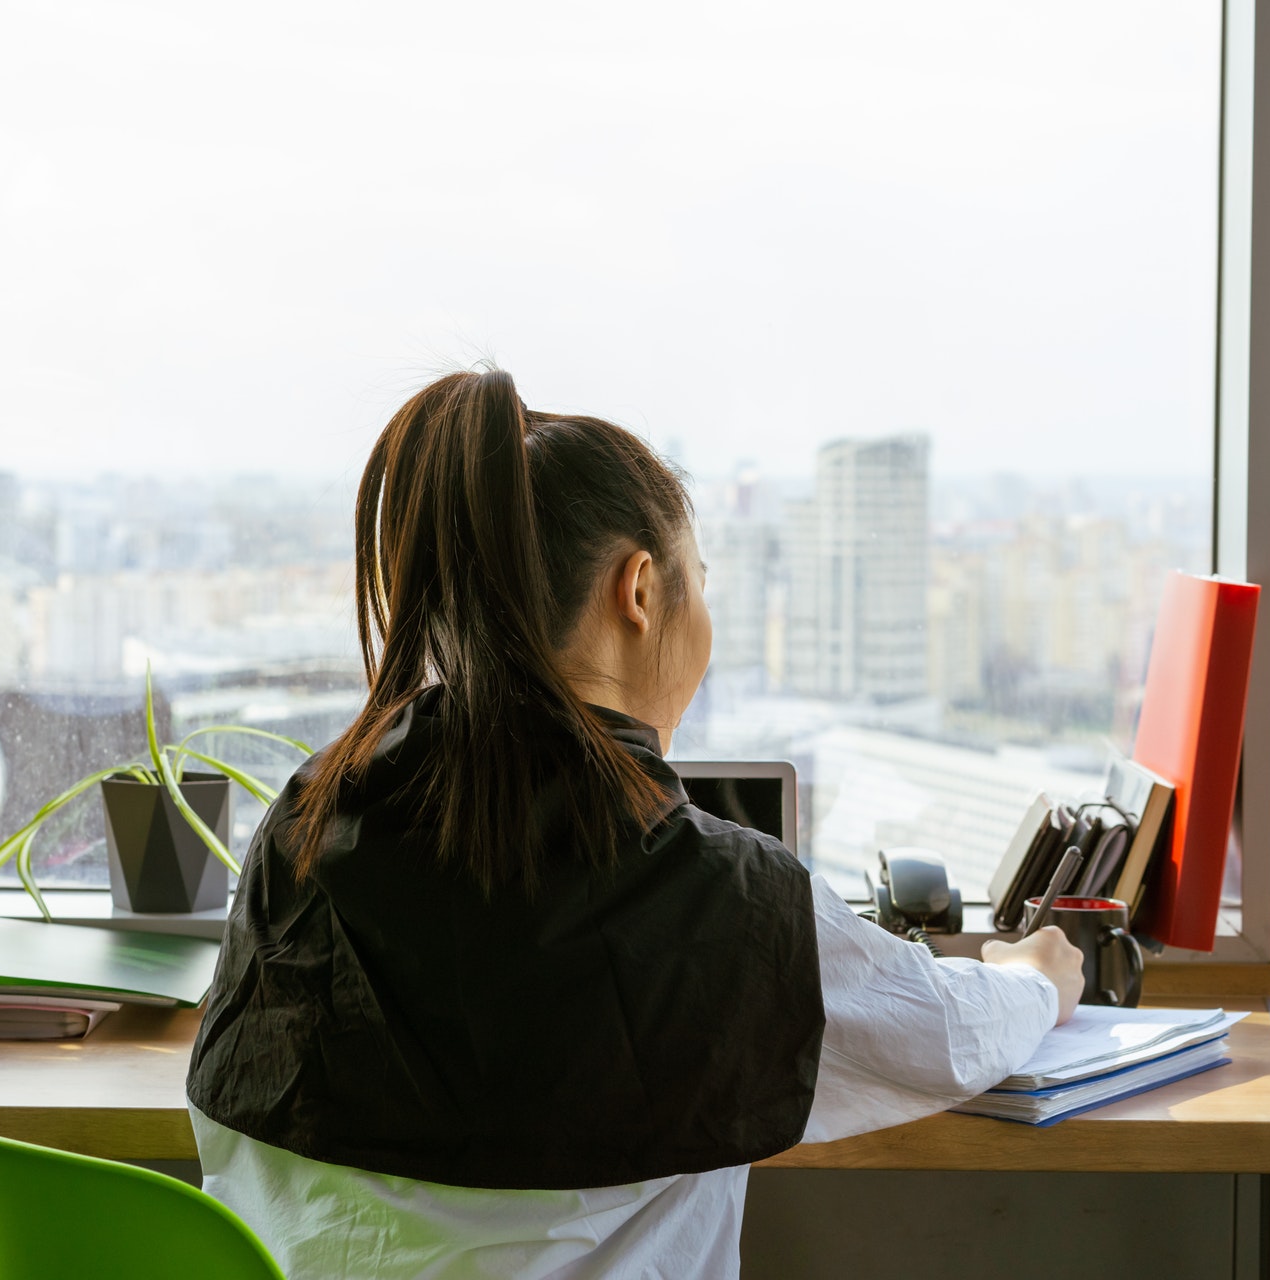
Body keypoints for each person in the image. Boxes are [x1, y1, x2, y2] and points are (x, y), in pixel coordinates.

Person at [187, 369, 1085, 1278]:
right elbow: (936, 1033)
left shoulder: (305, 826)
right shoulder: (714, 897)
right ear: (641, 591)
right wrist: (1035, 980)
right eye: (699, 581)